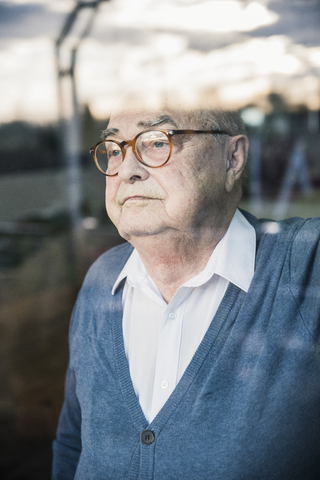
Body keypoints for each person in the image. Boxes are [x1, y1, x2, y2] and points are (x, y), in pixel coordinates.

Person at [52, 100, 320, 480]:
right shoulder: (102, 281)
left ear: (233, 158)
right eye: (114, 149)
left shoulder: (305, 265)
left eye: (157, 141)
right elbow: (72, 443)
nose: (125, 170)